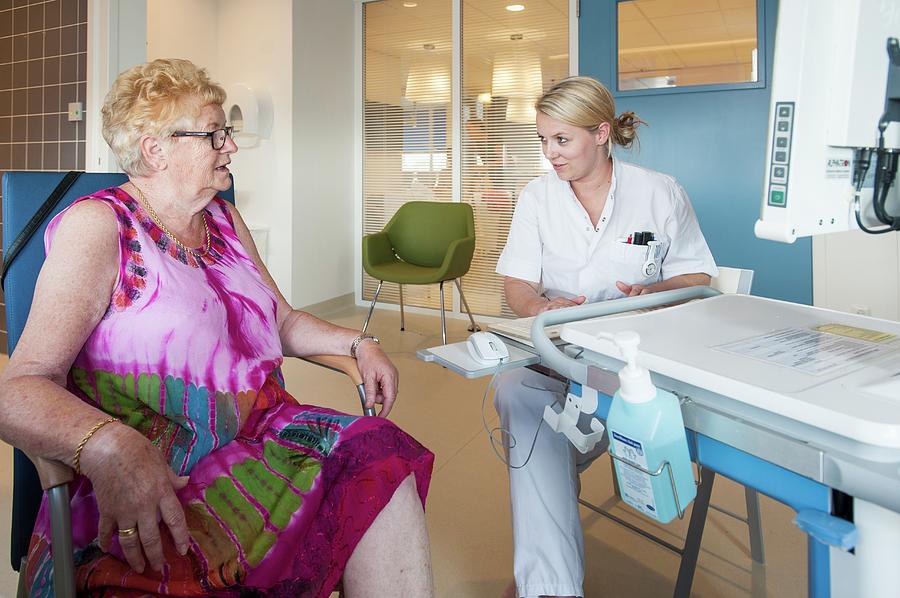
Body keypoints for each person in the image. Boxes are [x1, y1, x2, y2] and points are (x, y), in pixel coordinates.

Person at [0, 59, 435, 598]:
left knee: (381, 454)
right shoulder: (101, 227)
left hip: (265, 440)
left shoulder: (224, 220)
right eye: (214, 133)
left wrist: (359, 343)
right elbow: (19, 388)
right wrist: (109, 447)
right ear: (155, 149)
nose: (230, 146)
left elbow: (281, 321)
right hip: (158, 473)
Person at [494, 76, 718, 598]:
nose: (550, 154)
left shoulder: (659, 191)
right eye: (543, 141)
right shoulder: (537, 197)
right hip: (562, 358)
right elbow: (515, 284)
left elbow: (696, 278)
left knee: (539, 446)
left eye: (561, 140)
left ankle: (545, 575)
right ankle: (549, 581)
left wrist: (651, 290)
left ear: (600, 132)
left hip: (634, 369)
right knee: (514, 392)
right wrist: (540, 306)